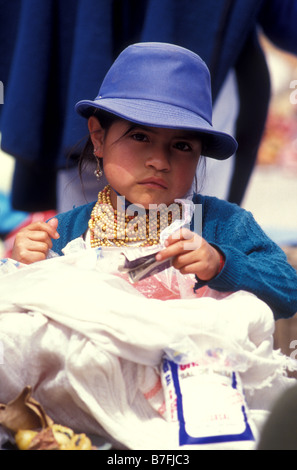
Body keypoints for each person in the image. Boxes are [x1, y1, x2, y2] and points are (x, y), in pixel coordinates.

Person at [10, 42, 297, 321]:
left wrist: (221, 263)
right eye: (140, 137)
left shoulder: (222, 224)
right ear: (99, 138)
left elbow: (289, 290)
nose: (159, 162)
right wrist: (25, 264)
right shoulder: (69, 232)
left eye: (182, 146)